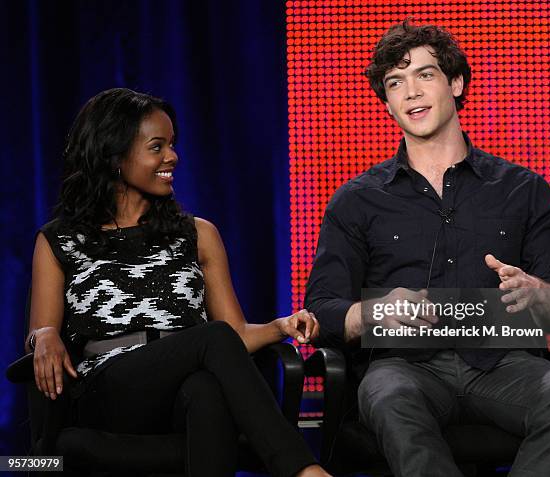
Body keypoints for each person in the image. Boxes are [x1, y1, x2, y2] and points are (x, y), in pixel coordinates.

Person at [305, 20, 550, 476]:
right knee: (392, 402)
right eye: (395, 83)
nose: (411, 92)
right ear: (387, 103)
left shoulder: (523, 189)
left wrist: (538, 292)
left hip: (505, 362)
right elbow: (320, 311)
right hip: (404, 366)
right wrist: (375, 310)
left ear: (455, 83)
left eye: (425, 75)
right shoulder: (357, 199)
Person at [27, 88, 331, 477]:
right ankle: (303, 470)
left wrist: (280, 327)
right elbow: (40, 330)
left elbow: (233, 334)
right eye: (157, 147)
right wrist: (45, 333)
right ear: (115, 155)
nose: (172, 157)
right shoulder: (61, 239)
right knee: (212, 339)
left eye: (172, 145)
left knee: (206, 389)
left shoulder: (198, 234)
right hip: (107, 389)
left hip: (182, 386)